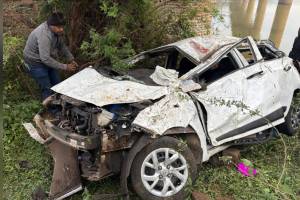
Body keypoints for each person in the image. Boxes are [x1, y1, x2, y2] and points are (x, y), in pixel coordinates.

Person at [23, 12, 78, 100]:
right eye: (59, 27)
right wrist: (65, 67)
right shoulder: (44, 35)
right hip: (35, 62)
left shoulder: (55, 31)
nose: (61, 29)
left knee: (57, 84)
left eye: (62, 27)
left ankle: (60, 103)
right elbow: (45, 58)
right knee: (47, 88)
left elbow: (61, 46)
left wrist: (71, 59)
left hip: (47, 58)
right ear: (51, 25)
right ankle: (52, 110)